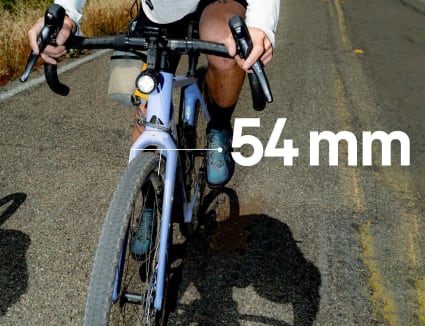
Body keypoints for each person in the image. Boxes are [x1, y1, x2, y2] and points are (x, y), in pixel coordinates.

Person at [28, 0, 280, 188]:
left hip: (218, 3)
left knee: (226, 56)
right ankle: (146, 199)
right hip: (161, 8)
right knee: (145, 105)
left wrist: (260, 25)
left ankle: (219, 126)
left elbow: (257, 23)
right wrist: (66, 14)